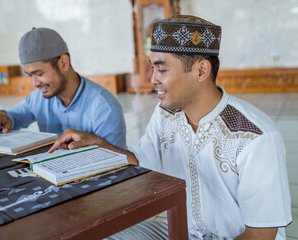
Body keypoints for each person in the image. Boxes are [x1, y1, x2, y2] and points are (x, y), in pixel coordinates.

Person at [48, 15, 292, 239]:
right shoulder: (167, 113)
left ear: (201, 70)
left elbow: (261, 234)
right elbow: (143, 160)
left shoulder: (254, 136)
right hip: (186, 232)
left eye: (162, 69)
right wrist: (99, 144)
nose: (153, 78)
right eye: (152, 68)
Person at [0, 27, 126, 149]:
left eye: (39, 74)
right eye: (29, 75)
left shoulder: (105, 108)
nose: (34, 83)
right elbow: (12, 117)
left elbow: (119, 163)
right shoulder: (39, 97)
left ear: (63, 62)